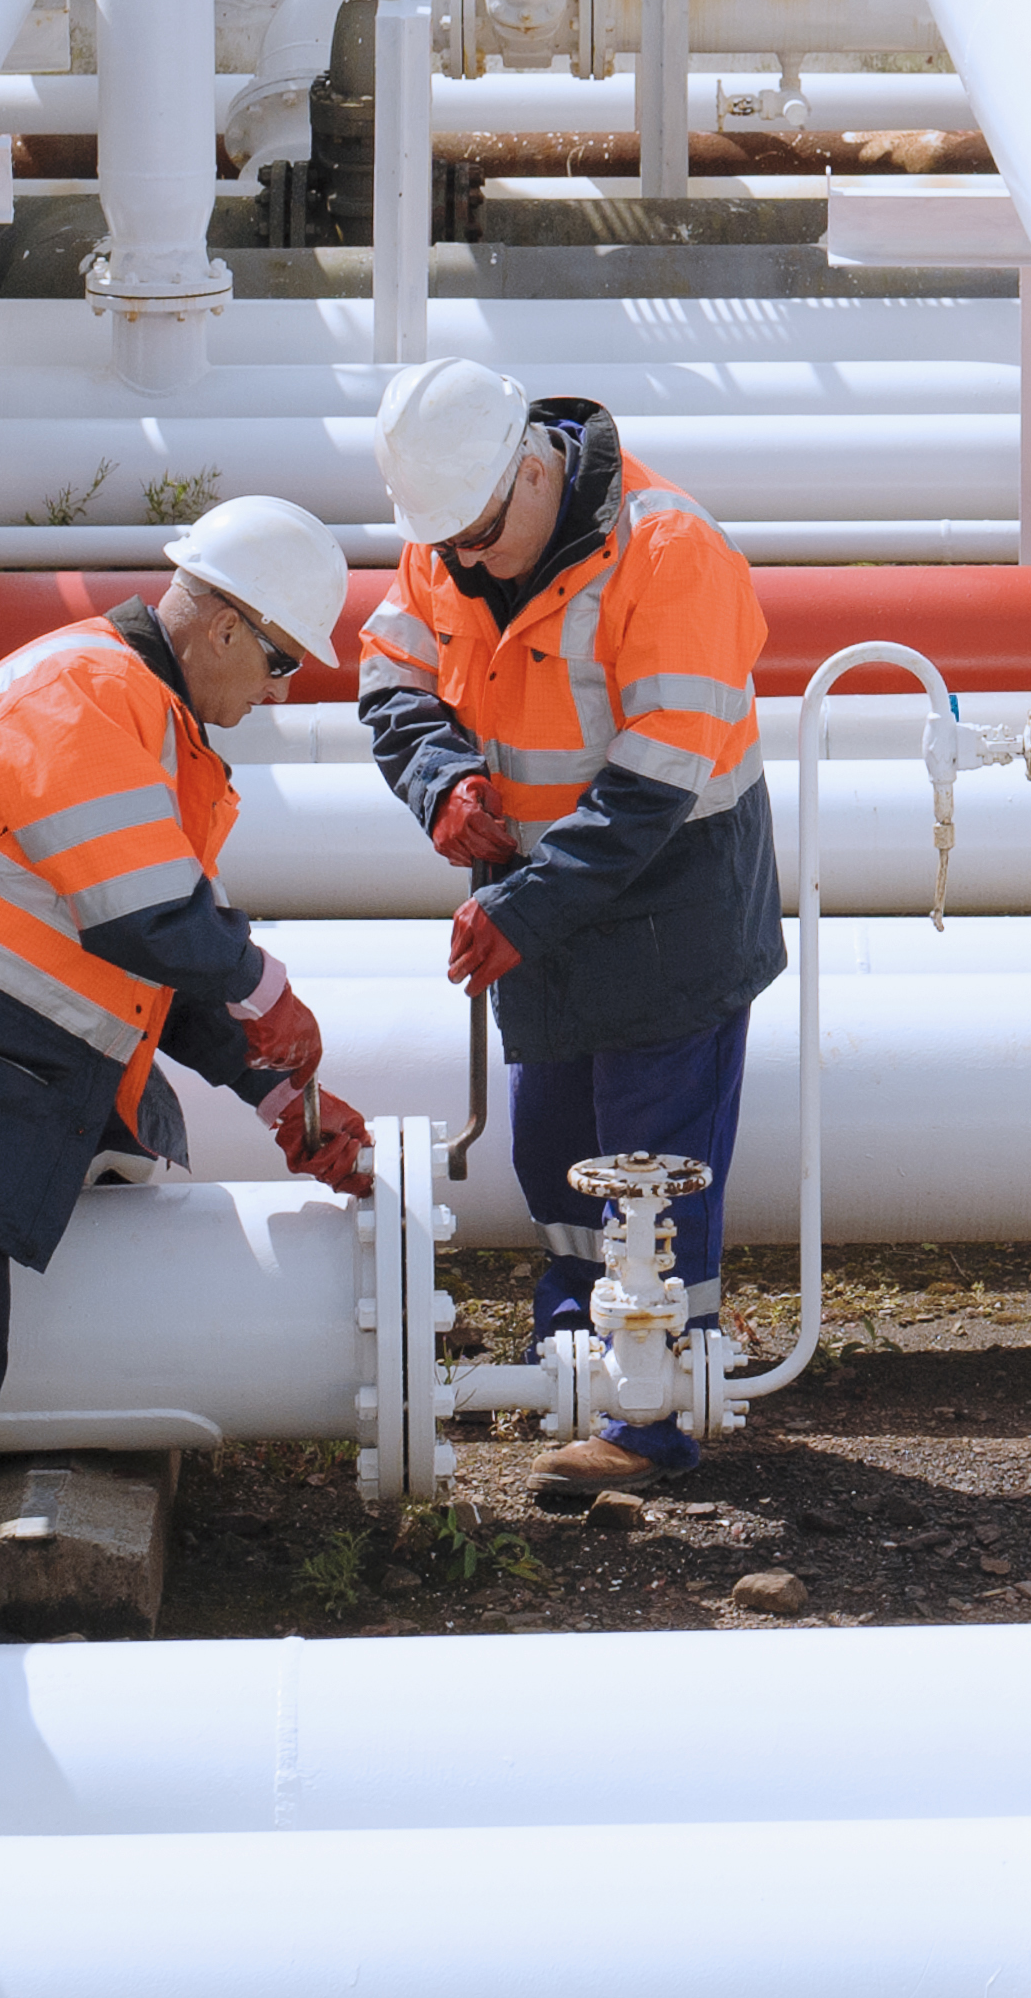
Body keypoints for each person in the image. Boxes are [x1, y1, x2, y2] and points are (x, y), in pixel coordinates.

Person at [0, 493, 372, 1642]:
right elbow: (150, 921)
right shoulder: (84, 697)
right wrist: (268, 994)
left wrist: (272, 1095)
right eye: (275, 661)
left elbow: (154, 975)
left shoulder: (146, 718)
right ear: (220, 626)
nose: (276, 693)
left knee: (90, 1193)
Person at [357, 356, 776, 1489]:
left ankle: (653, 1414)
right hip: (547, 903)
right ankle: (576, 1354)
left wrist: (526, 910)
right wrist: (443, 782)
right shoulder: (452, 535)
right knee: (556, 1155)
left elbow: (652, 786)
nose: (471, 560)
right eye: (452, 545)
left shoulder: (667, 551)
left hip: (669, 903)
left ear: (534, 466)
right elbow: (391, 671)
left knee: (651, 1163)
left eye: (486, 533)